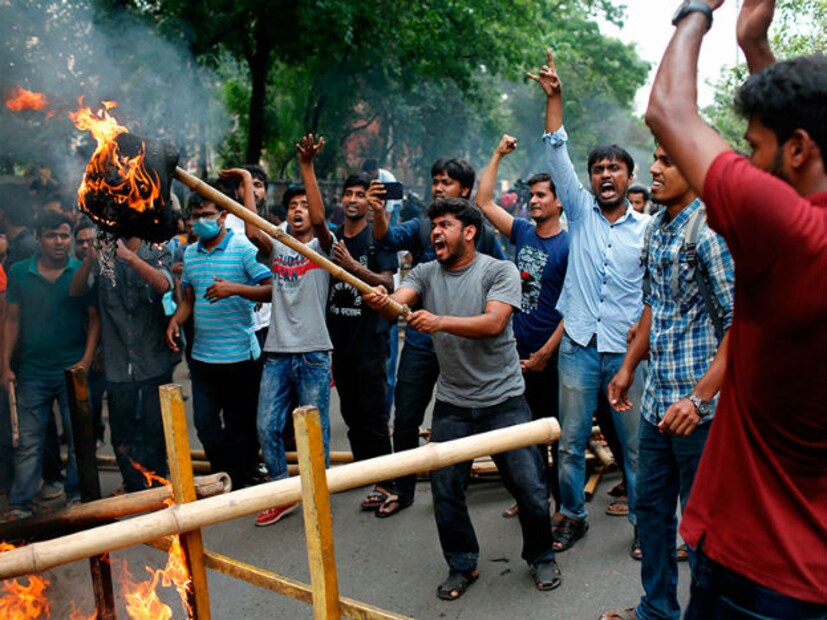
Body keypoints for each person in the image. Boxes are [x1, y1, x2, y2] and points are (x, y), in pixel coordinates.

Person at [644, 1, 826, 617]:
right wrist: (755, 45)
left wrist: (699, 10)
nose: (745, 161)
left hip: (757, 571)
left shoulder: (791, 238)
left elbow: (668, 111)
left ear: (798, 150)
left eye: (753, 146)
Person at [364, 197, 560, 600]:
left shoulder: (499, 270)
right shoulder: (424, 272)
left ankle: (541, 554)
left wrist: (438, 321)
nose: (436, 231)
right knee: (445, 488)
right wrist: (384, 301)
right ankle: (462, 563)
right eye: (434, 225)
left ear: (469, 232)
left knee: (528, 486)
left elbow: (493, 323)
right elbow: (395, 306)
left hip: (504, 400)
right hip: (454, 402)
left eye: (445, 225)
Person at [599, 143, 735, 620]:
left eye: (667, 161)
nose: (654, 169)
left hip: (700, 415)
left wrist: (699, 401)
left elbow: (743, 325)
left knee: (702, 532)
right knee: (652, 516)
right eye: (655, 158)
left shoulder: (713, 231)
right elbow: (656, 305)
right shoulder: (657, 228)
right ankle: (657, 608)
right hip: (658, 404)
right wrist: (628, 367)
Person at [529, 49, 649, 553]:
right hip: (577, 346)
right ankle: (572, 515)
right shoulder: (577, 211)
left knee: (638, 449)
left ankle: (649, 527)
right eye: (598, 167)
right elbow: (556, 148)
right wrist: (555, 99)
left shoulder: (648, 230)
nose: (605, 175)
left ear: (628, 176)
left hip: (626, 352)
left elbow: (654, 297)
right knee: (571, 443)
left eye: (614, 168)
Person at [369, 157, 505, 518]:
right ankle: (404, 488)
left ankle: (463, 485)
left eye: (446, 182)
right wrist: (379, 211)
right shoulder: (422, 225)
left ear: (464, 190)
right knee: (407, 418)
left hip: (466, 345)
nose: (438, 187)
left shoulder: (482, 234)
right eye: (435, 180)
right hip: (421, 343)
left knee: (481, 417)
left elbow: (502, 280)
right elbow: (386, 238)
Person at [231, 135, 335, 527]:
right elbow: (253, 231)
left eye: (304, 206)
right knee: (266, 426)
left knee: (315, 432)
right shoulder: (277, 244)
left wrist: (306, 166)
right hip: (277, 351)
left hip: (313, 352)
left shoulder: (324, 248)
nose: (298, 211)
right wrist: (245, 182)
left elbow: (323, 223)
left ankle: (315, 493)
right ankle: (280, 489)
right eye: (292, 206)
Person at [475, 134, 569, 518]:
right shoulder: (523, 232)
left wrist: (546, 352)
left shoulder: (569, 245)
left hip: (551, 356)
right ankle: (533, 495)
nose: (534, 200)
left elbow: (574, 308)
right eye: (531, 195)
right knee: (522, 430)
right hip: (514, 352)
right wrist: (497, 153)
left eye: (542, 195)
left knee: (555, 432)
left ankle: (564, 505)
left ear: (560, 201)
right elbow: (482, 202)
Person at [165, 186, 272, 490]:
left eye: (208, 215)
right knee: (205, 424)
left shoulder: (242, 248)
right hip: (203, 358)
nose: (201, 221)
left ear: (223, 216)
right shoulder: (191, 253)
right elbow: (188, 298)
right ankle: (225, 474)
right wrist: (175, 321)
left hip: (240, 357)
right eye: (196, 216)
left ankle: (241, 478)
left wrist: (236, 289)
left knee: (242, 425)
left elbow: (273, 288)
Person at [1, 211, 99, 521]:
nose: (59, 242)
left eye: (64, 235)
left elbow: (94, 320)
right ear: (38, 237)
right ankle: (21, 503)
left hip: (72, 371)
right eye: (52, 235)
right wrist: (4, 364)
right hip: (32, 371)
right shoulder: (18, 272)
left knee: (78, 438)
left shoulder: (80, 272)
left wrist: (85, 359)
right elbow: (11, 320)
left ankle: (77, 494)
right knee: (28, 442)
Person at [71, 231, 180, 493]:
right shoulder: (106, 257)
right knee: (121, 433)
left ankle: (160, 486)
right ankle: (134, 487)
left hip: (153, 358)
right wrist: (90, 260)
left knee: (155, 430)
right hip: (118, 361)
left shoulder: (156, 250)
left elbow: (163, 285)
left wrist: (129, 257)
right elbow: (76, 291)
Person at [327, 172, 398, 511]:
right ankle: (363, 469)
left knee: (372, 415)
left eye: (360, 194)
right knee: (351, 413)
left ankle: (386, 480)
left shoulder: (377, 238)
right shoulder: (332, 239)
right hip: (339, 345)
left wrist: (352, 266)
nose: (353, 199)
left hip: (371, 342)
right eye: (348, 194)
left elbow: (388, 283)